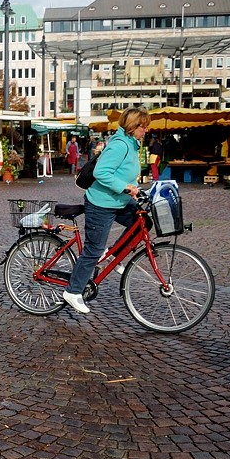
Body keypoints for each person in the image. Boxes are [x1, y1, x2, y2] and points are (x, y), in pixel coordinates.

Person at [61, 107, 149, 315]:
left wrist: (131, 189)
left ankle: (112, 254)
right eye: (143, 126)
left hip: (117, 200)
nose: (146, 130)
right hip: (101, 203)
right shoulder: (120, 145)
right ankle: (73, 291)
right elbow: (102, 172)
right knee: (92, 248)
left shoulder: (131, 144)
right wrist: (126, 187)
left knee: (145, 222)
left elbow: (121, 173)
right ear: (132, 126)